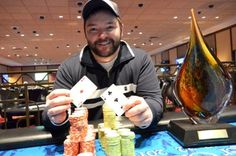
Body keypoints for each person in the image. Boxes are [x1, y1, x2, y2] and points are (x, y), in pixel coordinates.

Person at [42, 0, 163, 133]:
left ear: (121, 28)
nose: (102, 36)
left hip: (131, 138)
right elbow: (51, 118)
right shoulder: (69, 68)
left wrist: (148, 113)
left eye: (109, 27)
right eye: (93, 29)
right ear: (85, 32)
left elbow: (154, 101)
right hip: (88, 143)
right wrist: (56, 118)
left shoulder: (141, 60)